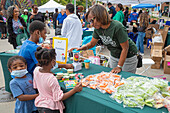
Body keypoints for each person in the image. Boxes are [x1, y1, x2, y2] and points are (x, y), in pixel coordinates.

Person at [70, 4, 138, 74]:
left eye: (92, 21)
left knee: (125, 79)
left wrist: (119, 66)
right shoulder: (97, 29)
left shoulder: (117, 27)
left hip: (128, 56)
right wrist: (81, 48)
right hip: (114, 55)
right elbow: (92, 43)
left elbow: (125, 48)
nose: (92, 24)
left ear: (100, 16)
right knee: (113, 79)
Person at [33, 47, 83, 113]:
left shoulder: (36, 70)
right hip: (51, 108)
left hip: (40, 105)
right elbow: (60, 97)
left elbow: (36, 86)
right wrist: (74, 90)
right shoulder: (51, 78)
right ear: (53, 62)